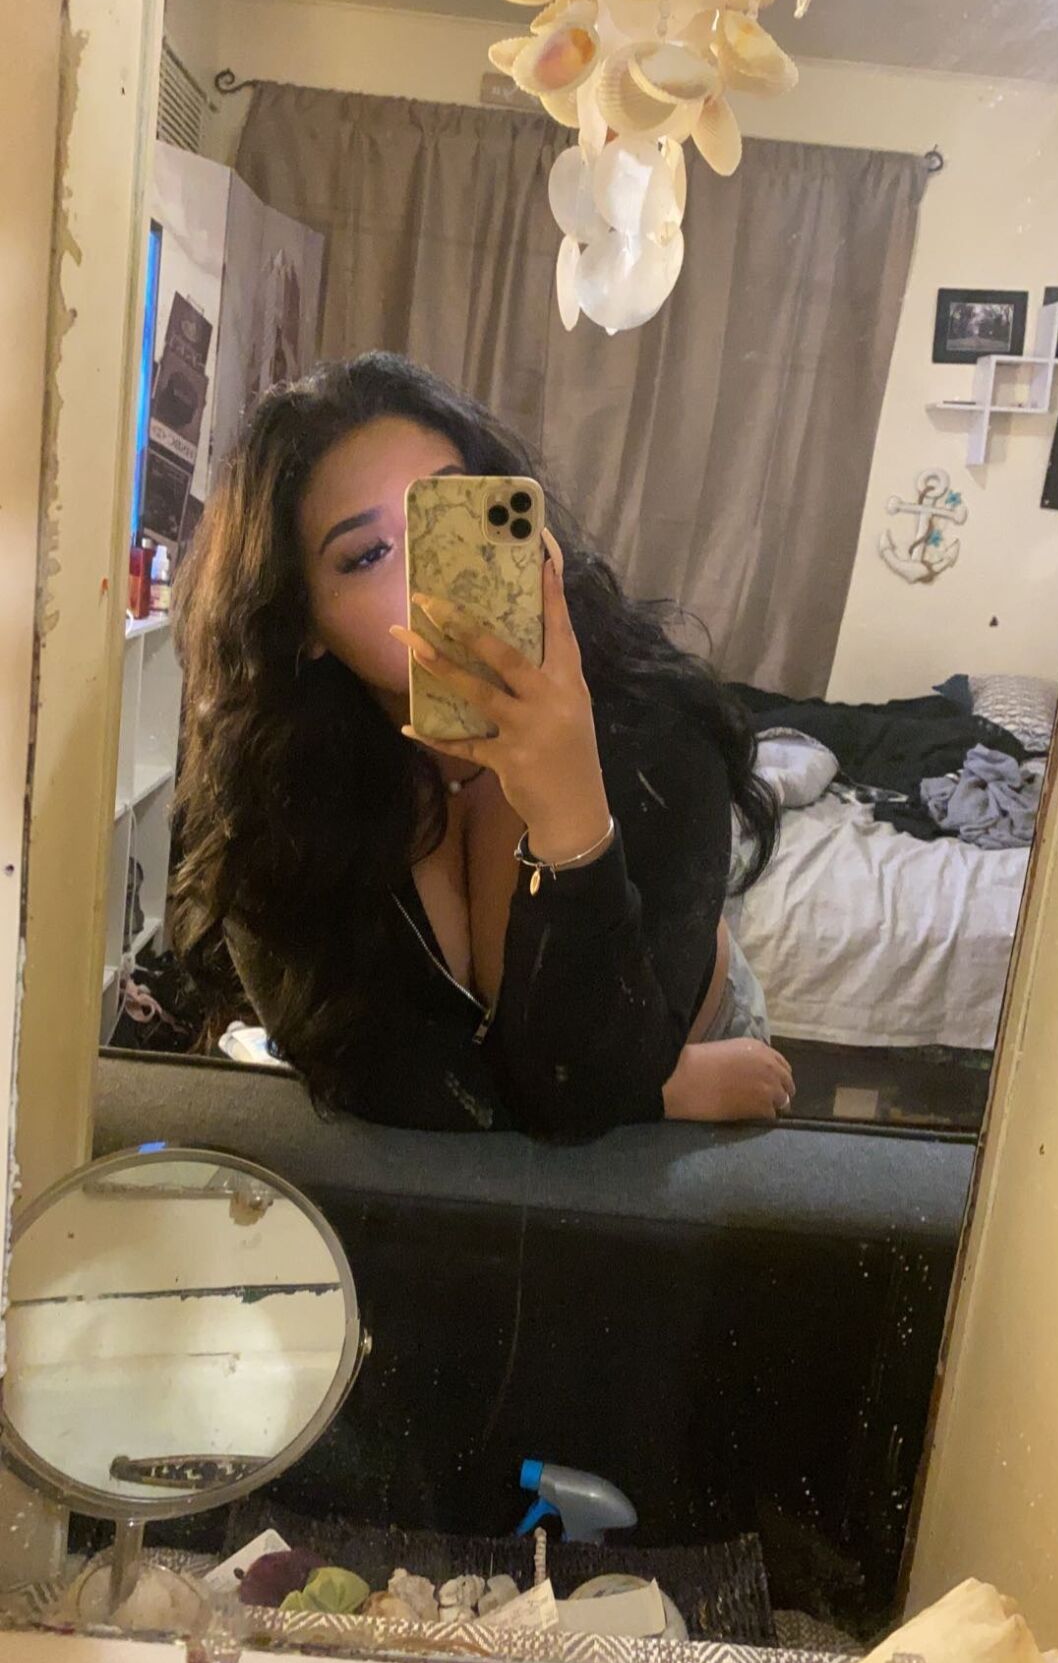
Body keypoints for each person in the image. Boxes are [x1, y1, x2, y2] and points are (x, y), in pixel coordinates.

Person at [172, 354, 793, 1140]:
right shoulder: (278, 789)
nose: (439, 582)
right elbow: (363, 1072)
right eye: (368, 555)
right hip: (670, 1084)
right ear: (304, 624)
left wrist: (572, 810)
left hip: (686, 1037)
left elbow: (583, 1087)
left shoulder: (659, 734)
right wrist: (658, 1090)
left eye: (455, 521)